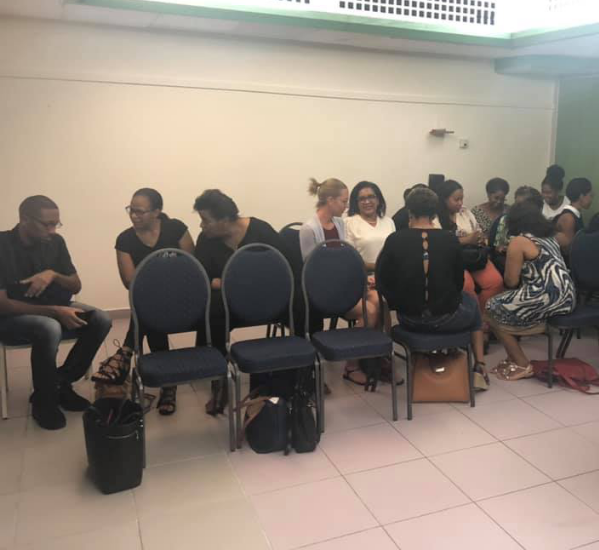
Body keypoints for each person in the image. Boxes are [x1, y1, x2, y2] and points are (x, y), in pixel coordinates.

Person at [0, 196, 112, 430]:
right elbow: (3, 304)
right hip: (11, 319)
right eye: (47, 224)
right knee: (48, 327)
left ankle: (60, 383)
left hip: (56, 309)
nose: (52, 230)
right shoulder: (3, 246)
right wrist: (54, 311)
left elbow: (76, 286)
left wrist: (53, 274)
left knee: (101, 319)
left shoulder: (55, 242)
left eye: (56, 224)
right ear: (24, 220)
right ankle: (44, 401)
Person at [193, 189, 298, 415]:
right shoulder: (206, 240)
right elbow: (201, 277)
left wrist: (234, 280)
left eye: (206, 220)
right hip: (230, 304)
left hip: (267, 298)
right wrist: (229, 282)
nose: (202, 226)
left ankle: (302, 374)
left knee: (302, 305)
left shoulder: (261, 230)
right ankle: (219, 382)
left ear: (224, 220)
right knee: (212, 313)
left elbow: (289, 266)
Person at [92, 188, 194, 415]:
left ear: (157, 212)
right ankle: (168, 385)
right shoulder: (125, 239)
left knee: (148, 307)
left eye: (140, 211)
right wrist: (165, 275)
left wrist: (153, 277)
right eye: (131, 210)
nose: (133, 215)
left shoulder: (176, 228)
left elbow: (192, 267)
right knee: (151, 309)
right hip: (152, 302)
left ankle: (126, 351)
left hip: (184, 297)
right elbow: (130, 281)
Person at [377, 187, 490, 390]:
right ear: (435, 213)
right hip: (447, 318)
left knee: (461, 302)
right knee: (471, 303)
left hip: (408, 319)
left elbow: (382, 281)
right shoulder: (450, 239)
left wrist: (400, 303)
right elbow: (458, 282)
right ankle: (479, 366)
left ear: (409, 211)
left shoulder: (394, 240)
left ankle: (431, 358)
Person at [300, 178, 382, 387]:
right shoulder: (309, 229)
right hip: (323, 293)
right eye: (344, 201)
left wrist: (361, 280)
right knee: (370, 311)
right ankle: (352, 366)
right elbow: (312, 272)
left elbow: (345, 260)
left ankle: (372, 359)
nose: (347, 206)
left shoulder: (339, 223)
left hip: (341, 288)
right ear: (330, 200)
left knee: (376, 299)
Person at [485, 202, 576, 380]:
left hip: (545, 296)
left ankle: (521, 363)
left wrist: (511, 257)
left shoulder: (518, 241)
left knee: (491, 307)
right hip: (568, 296)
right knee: (504, 304)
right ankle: (512, 357)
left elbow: (511, 281)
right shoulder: (550, 237)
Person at [435, 180, 504, 318]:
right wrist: (465, 240)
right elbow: (438, 243)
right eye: (456, 199)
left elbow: (477, 231)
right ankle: (473, 322)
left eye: (462, 199)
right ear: (444, 199)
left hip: (473, 255)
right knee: (467, 286)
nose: (460, 203)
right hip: (450, 259)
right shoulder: (434, 216)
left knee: (495, 282)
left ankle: (484, 319)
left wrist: (479, 238)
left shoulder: (465, 212)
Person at [489, 186, 543, 274]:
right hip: (506, 260)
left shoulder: (541, 223)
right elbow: (494, 248)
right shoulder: (504, 220)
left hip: (535, 263)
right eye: (516, 204)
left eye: (521, 205)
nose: (517, 208)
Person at [345, 181, 396, 272]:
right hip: (362, 276)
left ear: (378, 200)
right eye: (362, 199)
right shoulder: (349, 223)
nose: (367, 202)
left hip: (388, 275)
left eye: (371, 197)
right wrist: (377, 266)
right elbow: (349, 257)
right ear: (356, 203)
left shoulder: (389, 222)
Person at [554, 177, 594, 255]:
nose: (591, 200)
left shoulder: (576, 214)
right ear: (581, 196)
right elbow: (568, 250)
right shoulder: (569, 218)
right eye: (590, 196)